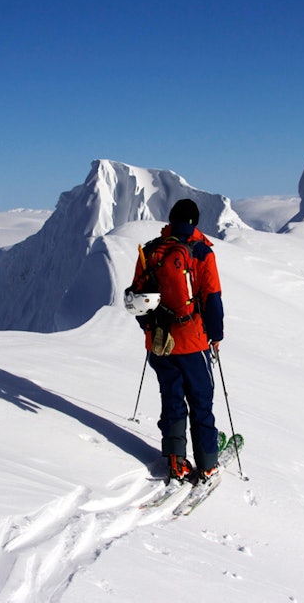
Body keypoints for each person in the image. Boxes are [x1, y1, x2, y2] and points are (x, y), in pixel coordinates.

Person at [129, 198, 224, 484]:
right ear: (195, 222)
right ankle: (207, 463)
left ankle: (175, 460)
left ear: (170, 220)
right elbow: (212, 299)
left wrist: (151, 328)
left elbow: (137, 299)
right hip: (192, 341)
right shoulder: (201, 252)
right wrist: (215, 336)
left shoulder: (150, 251)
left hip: (159, 342)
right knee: (200, 400)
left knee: (172, 398)